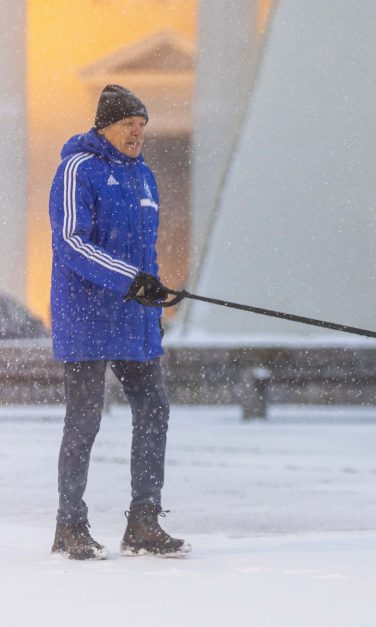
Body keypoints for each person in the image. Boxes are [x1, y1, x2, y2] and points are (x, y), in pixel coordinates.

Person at [48, 84, 190, 560]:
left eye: (143, 126)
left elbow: (142, 255)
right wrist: (132, 279)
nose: (138, 133)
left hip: (133, 319)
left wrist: (153, 300)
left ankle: (143, 521)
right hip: (86, 318)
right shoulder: (77, 170)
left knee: (155, 409)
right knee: (84, 421)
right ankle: (70, 525)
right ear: (105, 126)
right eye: (130, 124)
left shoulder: (143, 177)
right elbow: (71, 242)